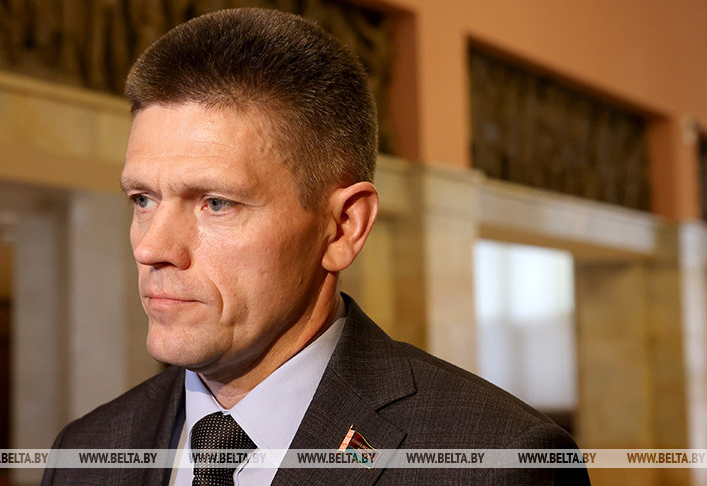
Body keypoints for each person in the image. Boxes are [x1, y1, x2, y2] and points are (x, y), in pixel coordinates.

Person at [42, 8, 589, 485]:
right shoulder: (84, 451)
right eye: (143, 199)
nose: (151, 248)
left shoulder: (499, 462)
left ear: (344, 227)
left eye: (216, 203)